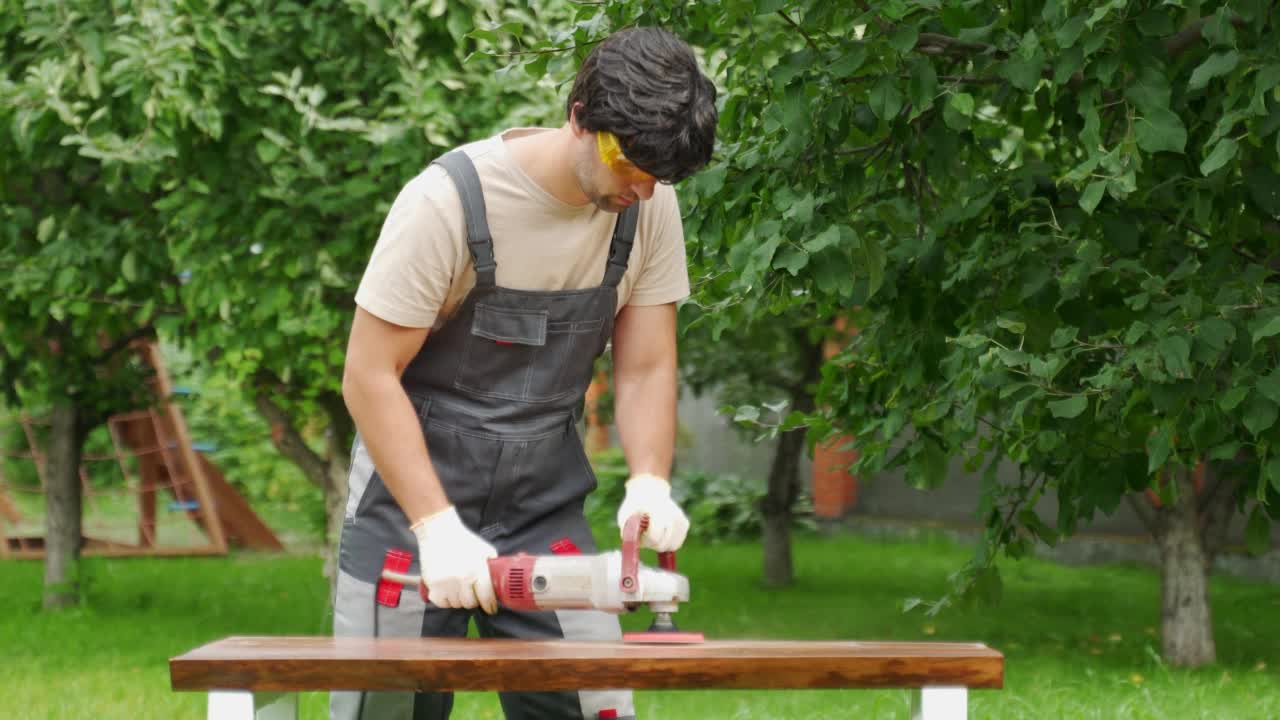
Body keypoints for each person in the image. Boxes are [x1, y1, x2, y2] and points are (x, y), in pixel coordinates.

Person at [332, 26, 718, 720]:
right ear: (579, 116)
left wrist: (650, 480)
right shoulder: (447, 202)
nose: (644, 187)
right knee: (383, 714)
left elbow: (646, 365)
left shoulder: (648, 206)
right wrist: (435, 527)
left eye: (660, 176)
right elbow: (367, 375)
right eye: (631, 164)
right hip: (407, 512)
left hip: (543, 506)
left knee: (592, 704)